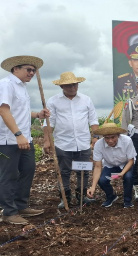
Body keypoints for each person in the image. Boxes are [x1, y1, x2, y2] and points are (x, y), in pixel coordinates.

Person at [0, 55, 48, 225]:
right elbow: (4, 111)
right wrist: (18, 134)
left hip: (24, 138)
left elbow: (19, 112)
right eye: (29, 69)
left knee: (28, 170)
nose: (32, 73)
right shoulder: (6, 84)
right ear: (16, 69)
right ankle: (8, 211)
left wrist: (37, 114)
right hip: (9, 140)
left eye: (34, 70)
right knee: (9, 175)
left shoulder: (22, 88)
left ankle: (20, 205)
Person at [44, 72, 99, 208]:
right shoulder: (53, 101)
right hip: (63, 143)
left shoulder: (86, 100)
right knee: (64, 172)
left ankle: (82, 197)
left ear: (77, 84)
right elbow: (49, 122)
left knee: (84, 171)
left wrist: (95, 137)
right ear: (62, 86)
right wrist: (46, 141)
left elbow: (93, 120)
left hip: (83, 142)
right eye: (68, 85)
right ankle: (65, 198)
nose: (72, 87)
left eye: (74, 84)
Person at [87, 123, 135, 208]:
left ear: (118, 135)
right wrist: (93, 187)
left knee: (128, 177)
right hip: (110, 165)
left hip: (125, 164)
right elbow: (98, 166)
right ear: (103, 137)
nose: (110, 141)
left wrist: (122, 173)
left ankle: (127, 201)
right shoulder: (98, 144)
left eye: (113, 137)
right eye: (107, 138)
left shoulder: (127, 141)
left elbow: (131, 161)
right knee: (101, 180)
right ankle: (111, 196)